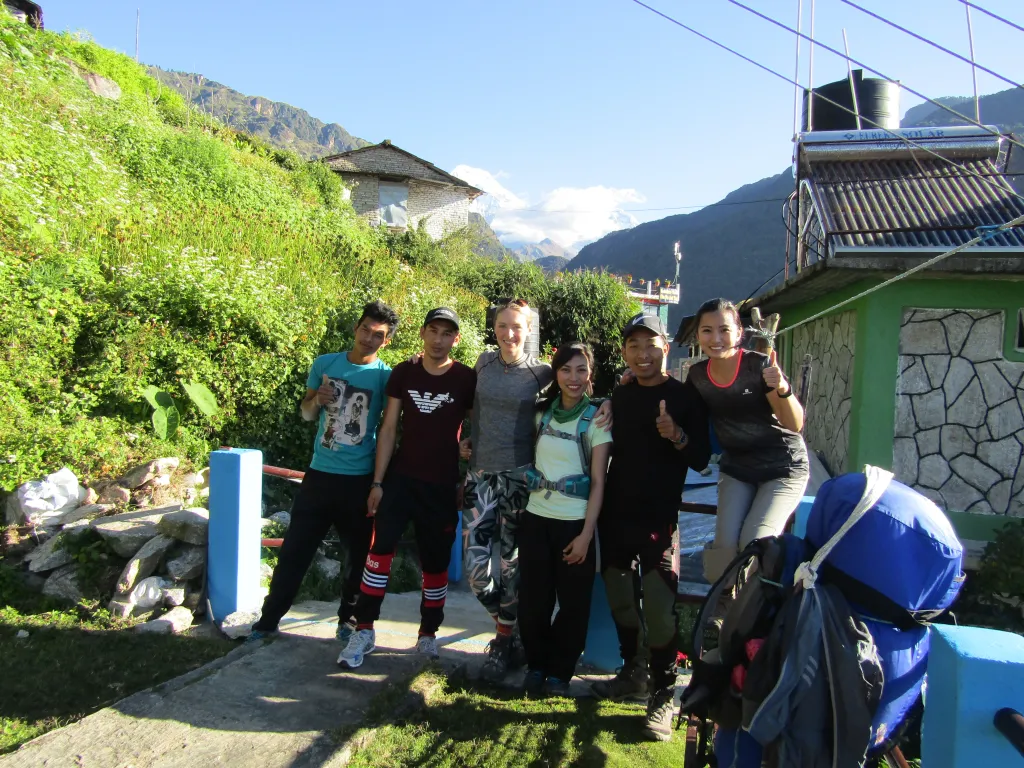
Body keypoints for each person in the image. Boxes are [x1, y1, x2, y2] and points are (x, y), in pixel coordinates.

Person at [457, 298, 612, 681]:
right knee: (476, 569)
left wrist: (612, 402)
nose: (510, 333)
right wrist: (466, 440)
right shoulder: (481, 363)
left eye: (517, 327)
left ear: (529, 332)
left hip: (520, 480)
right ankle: (514, 627)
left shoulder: (541, 372)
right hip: (479, 477)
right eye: (503, 325)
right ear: (494, 328)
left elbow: (576, 391)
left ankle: (505, 639)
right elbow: (472, 407)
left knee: (512, 568)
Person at [592, 312, 711, 742]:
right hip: (616, 517)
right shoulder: (619, 396)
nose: (643, 354)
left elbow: (699, 457)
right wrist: (609, 396)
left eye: (650, 344)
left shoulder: (684, 397)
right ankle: (632, 672)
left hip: (660, 520)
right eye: (633, 347)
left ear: (666, 345)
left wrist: (675, 433)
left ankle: (663, 695)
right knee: (621, 600)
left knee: (660, 612)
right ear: (624, 352)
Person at [249, 301, 399, 642]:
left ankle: (347, 622)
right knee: (294, 552)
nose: (369, 339)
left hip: (359, 481)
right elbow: (305, 414)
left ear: (386, 341)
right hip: (319, 476)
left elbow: (389, 429)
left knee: (357, 559)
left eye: (378, 335)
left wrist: (377, 482)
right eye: (365, 330)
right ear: (356, 328)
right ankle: (268, 621)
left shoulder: (386, 378)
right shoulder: (325, 364)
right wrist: (317, 398)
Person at [338, 308, 477, 669]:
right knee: (378, 553)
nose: (438, 339)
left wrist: (466, 477)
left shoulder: (466, 379)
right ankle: (364, 629)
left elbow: (479, 432)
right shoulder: (404, 371)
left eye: (447, 333)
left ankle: (428, 635)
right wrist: (378, 482)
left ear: (456, 340)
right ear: (422, 333)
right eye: (433, 330)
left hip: (442, 485)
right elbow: (387, 429)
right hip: (400, 480)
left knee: (436, 563)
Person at [684, 298, 808, 594]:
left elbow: (795, 424)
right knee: (724, 549)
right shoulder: (698, 376)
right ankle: (722, 614)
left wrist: (782, 388)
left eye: (724, 330)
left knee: (755, 542)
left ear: (739, 333)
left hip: (783, 468)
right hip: (738, 468)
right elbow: (681, 409)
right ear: (698, 335)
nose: (715, 339)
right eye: (707, 330)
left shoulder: (760, 365)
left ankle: (753, 622)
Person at [518, 343, 612, 698]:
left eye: (581, 370)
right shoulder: (541, 415)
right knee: (533, 602)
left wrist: (587, 535)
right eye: (566, 370)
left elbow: (599, 481)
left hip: (575, 524)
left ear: (590, 375)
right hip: (536, 519)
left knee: (573, 606)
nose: (574, 378)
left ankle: (560, 672)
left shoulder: (598, 420)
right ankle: (536, 666)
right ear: (555, 374)